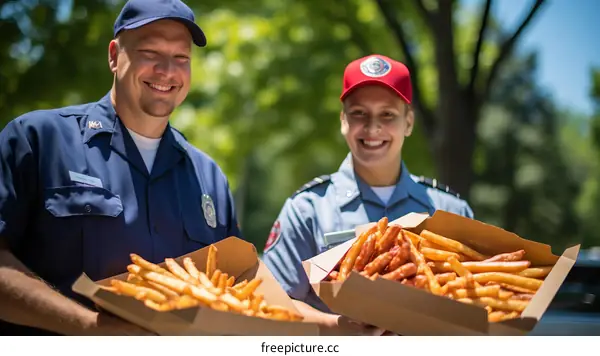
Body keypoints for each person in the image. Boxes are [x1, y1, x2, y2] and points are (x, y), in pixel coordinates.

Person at [0, 0, 241, 336]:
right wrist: (89, 328)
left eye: (181, 58)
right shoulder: (36, 140)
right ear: (114, 56)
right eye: (150, 52)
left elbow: (235, 291)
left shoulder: (209, 177)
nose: (167, 70)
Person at [261, 54, 474, 335]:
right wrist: (338, 327)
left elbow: (477, 306)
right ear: (343, 121)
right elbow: (270, 300)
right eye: (359, 113)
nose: (373, 127)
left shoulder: (452, 211)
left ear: (408, 123)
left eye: (388, 114)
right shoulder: (307, 210)